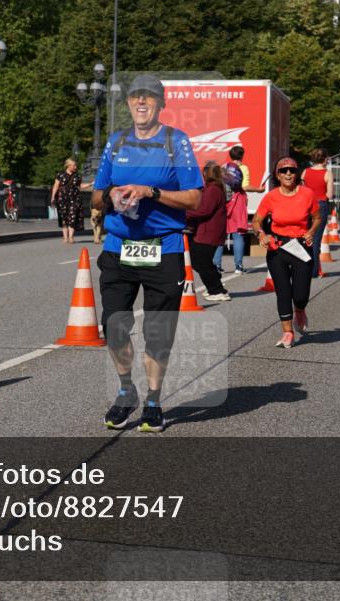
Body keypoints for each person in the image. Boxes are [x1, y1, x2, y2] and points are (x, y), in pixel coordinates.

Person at [92, 74, 203, 433]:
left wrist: (151, 191)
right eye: (135, 97)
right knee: (114, 326)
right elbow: (95, 196)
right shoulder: (116, 142)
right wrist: (111, 196)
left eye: (149, 97)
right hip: (118, 247)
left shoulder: (176, 142)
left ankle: (153, 401)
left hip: (163, 249)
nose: (141, 102)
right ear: (127, 104)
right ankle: (127, 391)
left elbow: (194, 198)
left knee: (157, 333)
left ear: (160, 104)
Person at [252, 157, 321, 348]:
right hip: (278, 248)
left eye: (292, 170)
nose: (288, 173)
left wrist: (311, 232)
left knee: (300, 295)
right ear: (277, 175)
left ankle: (300, 309)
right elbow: (256, 221)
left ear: (297, 173)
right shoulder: (271, 196)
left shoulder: (307, 194)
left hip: (301, 247)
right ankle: (287, 332)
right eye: (284, 171)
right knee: (283, 292)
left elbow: (317, 217)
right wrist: (261, 234)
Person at [187, 161, 231, 301]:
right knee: (203, 261)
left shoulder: (212, 190)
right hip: (210, 231)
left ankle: (216, 289)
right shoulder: (216, 188)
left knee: (200, 262)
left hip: (208, 232)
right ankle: (216, 285)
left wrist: (184, 212)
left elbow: (203, 210)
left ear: (205, 173)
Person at [214, 146, 248, 274]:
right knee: (238, 234)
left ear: (230, 155)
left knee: (220, 235)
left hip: (224, 203)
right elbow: (245, 186)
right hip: (237, 201)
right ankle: (238, 266)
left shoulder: (223, 167)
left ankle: (217, 265)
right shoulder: (243, 168)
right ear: (242, 155)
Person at [302, 148, 334, 277]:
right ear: (325, 159)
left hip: (306, 206)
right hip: (320, 205)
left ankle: (303, 267)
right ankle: (314, 270)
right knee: (316, 239)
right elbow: (330, 194)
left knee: (306, 237)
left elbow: (301, 190)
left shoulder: (305, 172)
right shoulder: (327, 173)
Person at [51, 158, 84, 244]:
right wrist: (53, 197)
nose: (76, 167)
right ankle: (65, 238)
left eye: (76, 165)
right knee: (64, 218)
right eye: (74, 165)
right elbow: (56, 186)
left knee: (72, 217)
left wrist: (91, 184)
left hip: (75, 199)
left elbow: (80, 186)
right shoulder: (60, 175)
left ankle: (71, 237)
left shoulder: (77, 176)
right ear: (68, 166)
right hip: (62, 199)